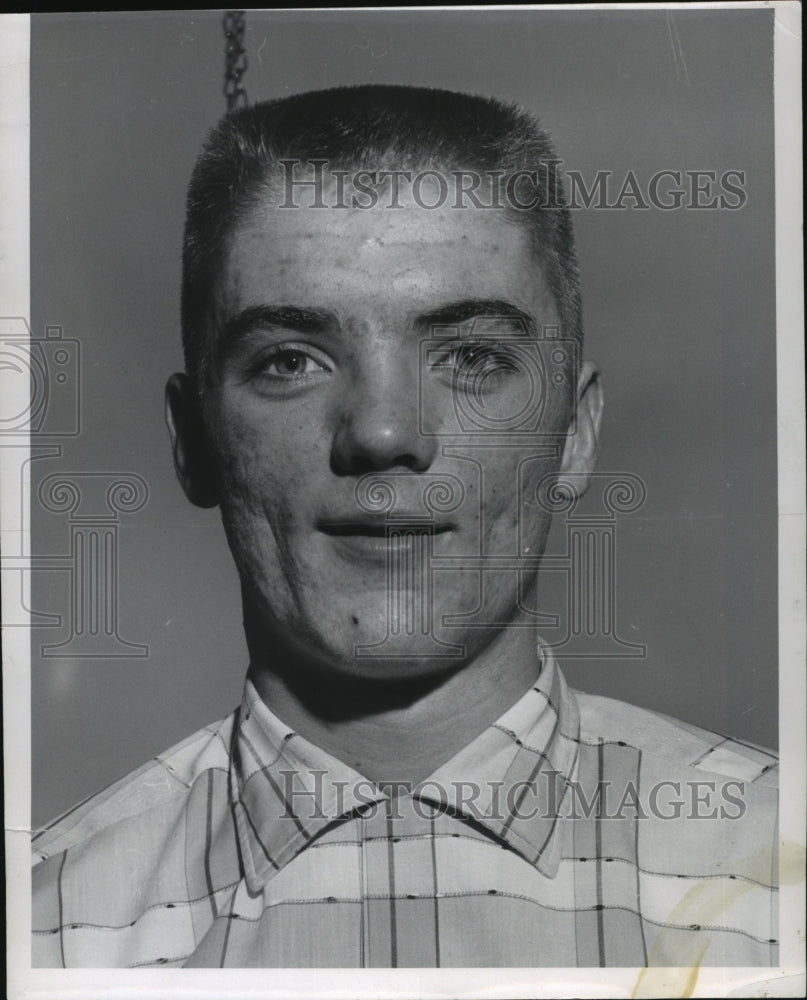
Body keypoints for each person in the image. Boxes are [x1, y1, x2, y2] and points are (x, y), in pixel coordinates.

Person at [32, 85, 778, 969]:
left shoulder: (780, 874)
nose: (383, 433)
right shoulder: (44, 923)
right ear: (194, 439)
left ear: (573, 433)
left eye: (469, 357)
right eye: (290, 361)